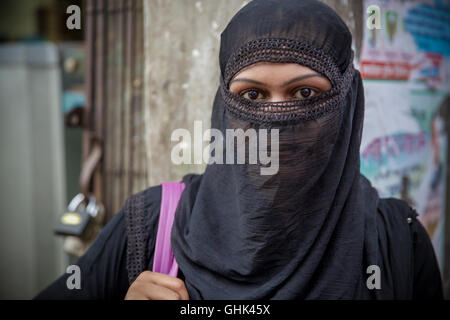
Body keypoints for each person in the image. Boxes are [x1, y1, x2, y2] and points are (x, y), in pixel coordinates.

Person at [35, 0, 443, 300]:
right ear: (223, 108)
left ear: (348, 102)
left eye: (305, 92)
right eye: (252, 94)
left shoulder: (396, 241)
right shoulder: (154, 224)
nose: (277, 115)